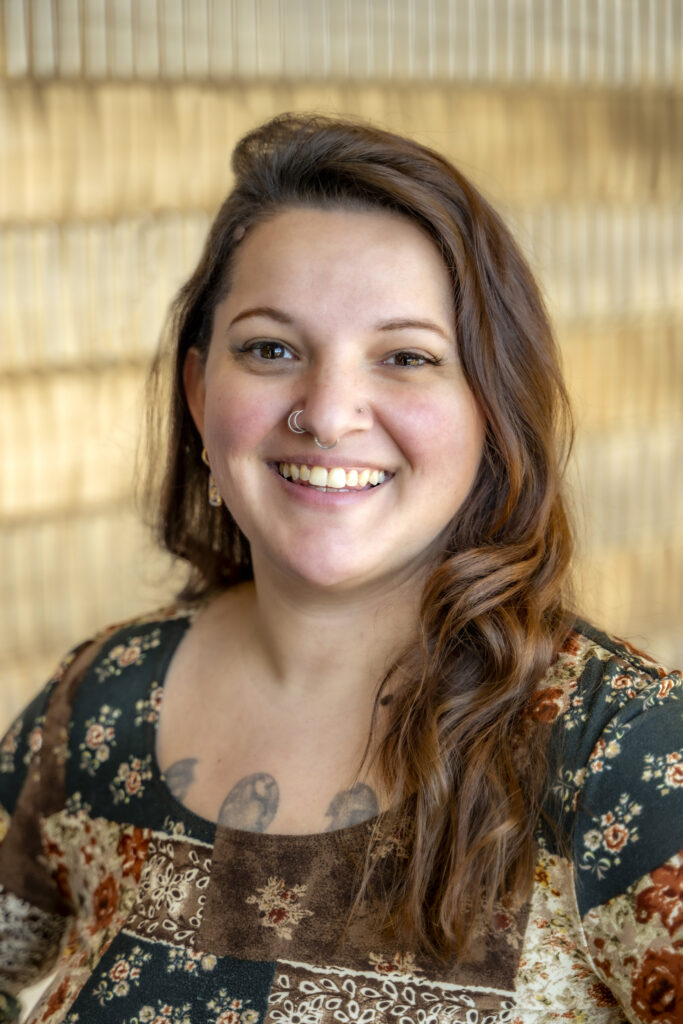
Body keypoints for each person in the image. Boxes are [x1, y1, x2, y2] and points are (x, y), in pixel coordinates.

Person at [0, 114, 681, 1024]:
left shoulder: (620, 749)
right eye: (271, 349)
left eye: (405, 357)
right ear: (201, 395)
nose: (326, 413)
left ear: (492, 407)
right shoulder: (99, 704)